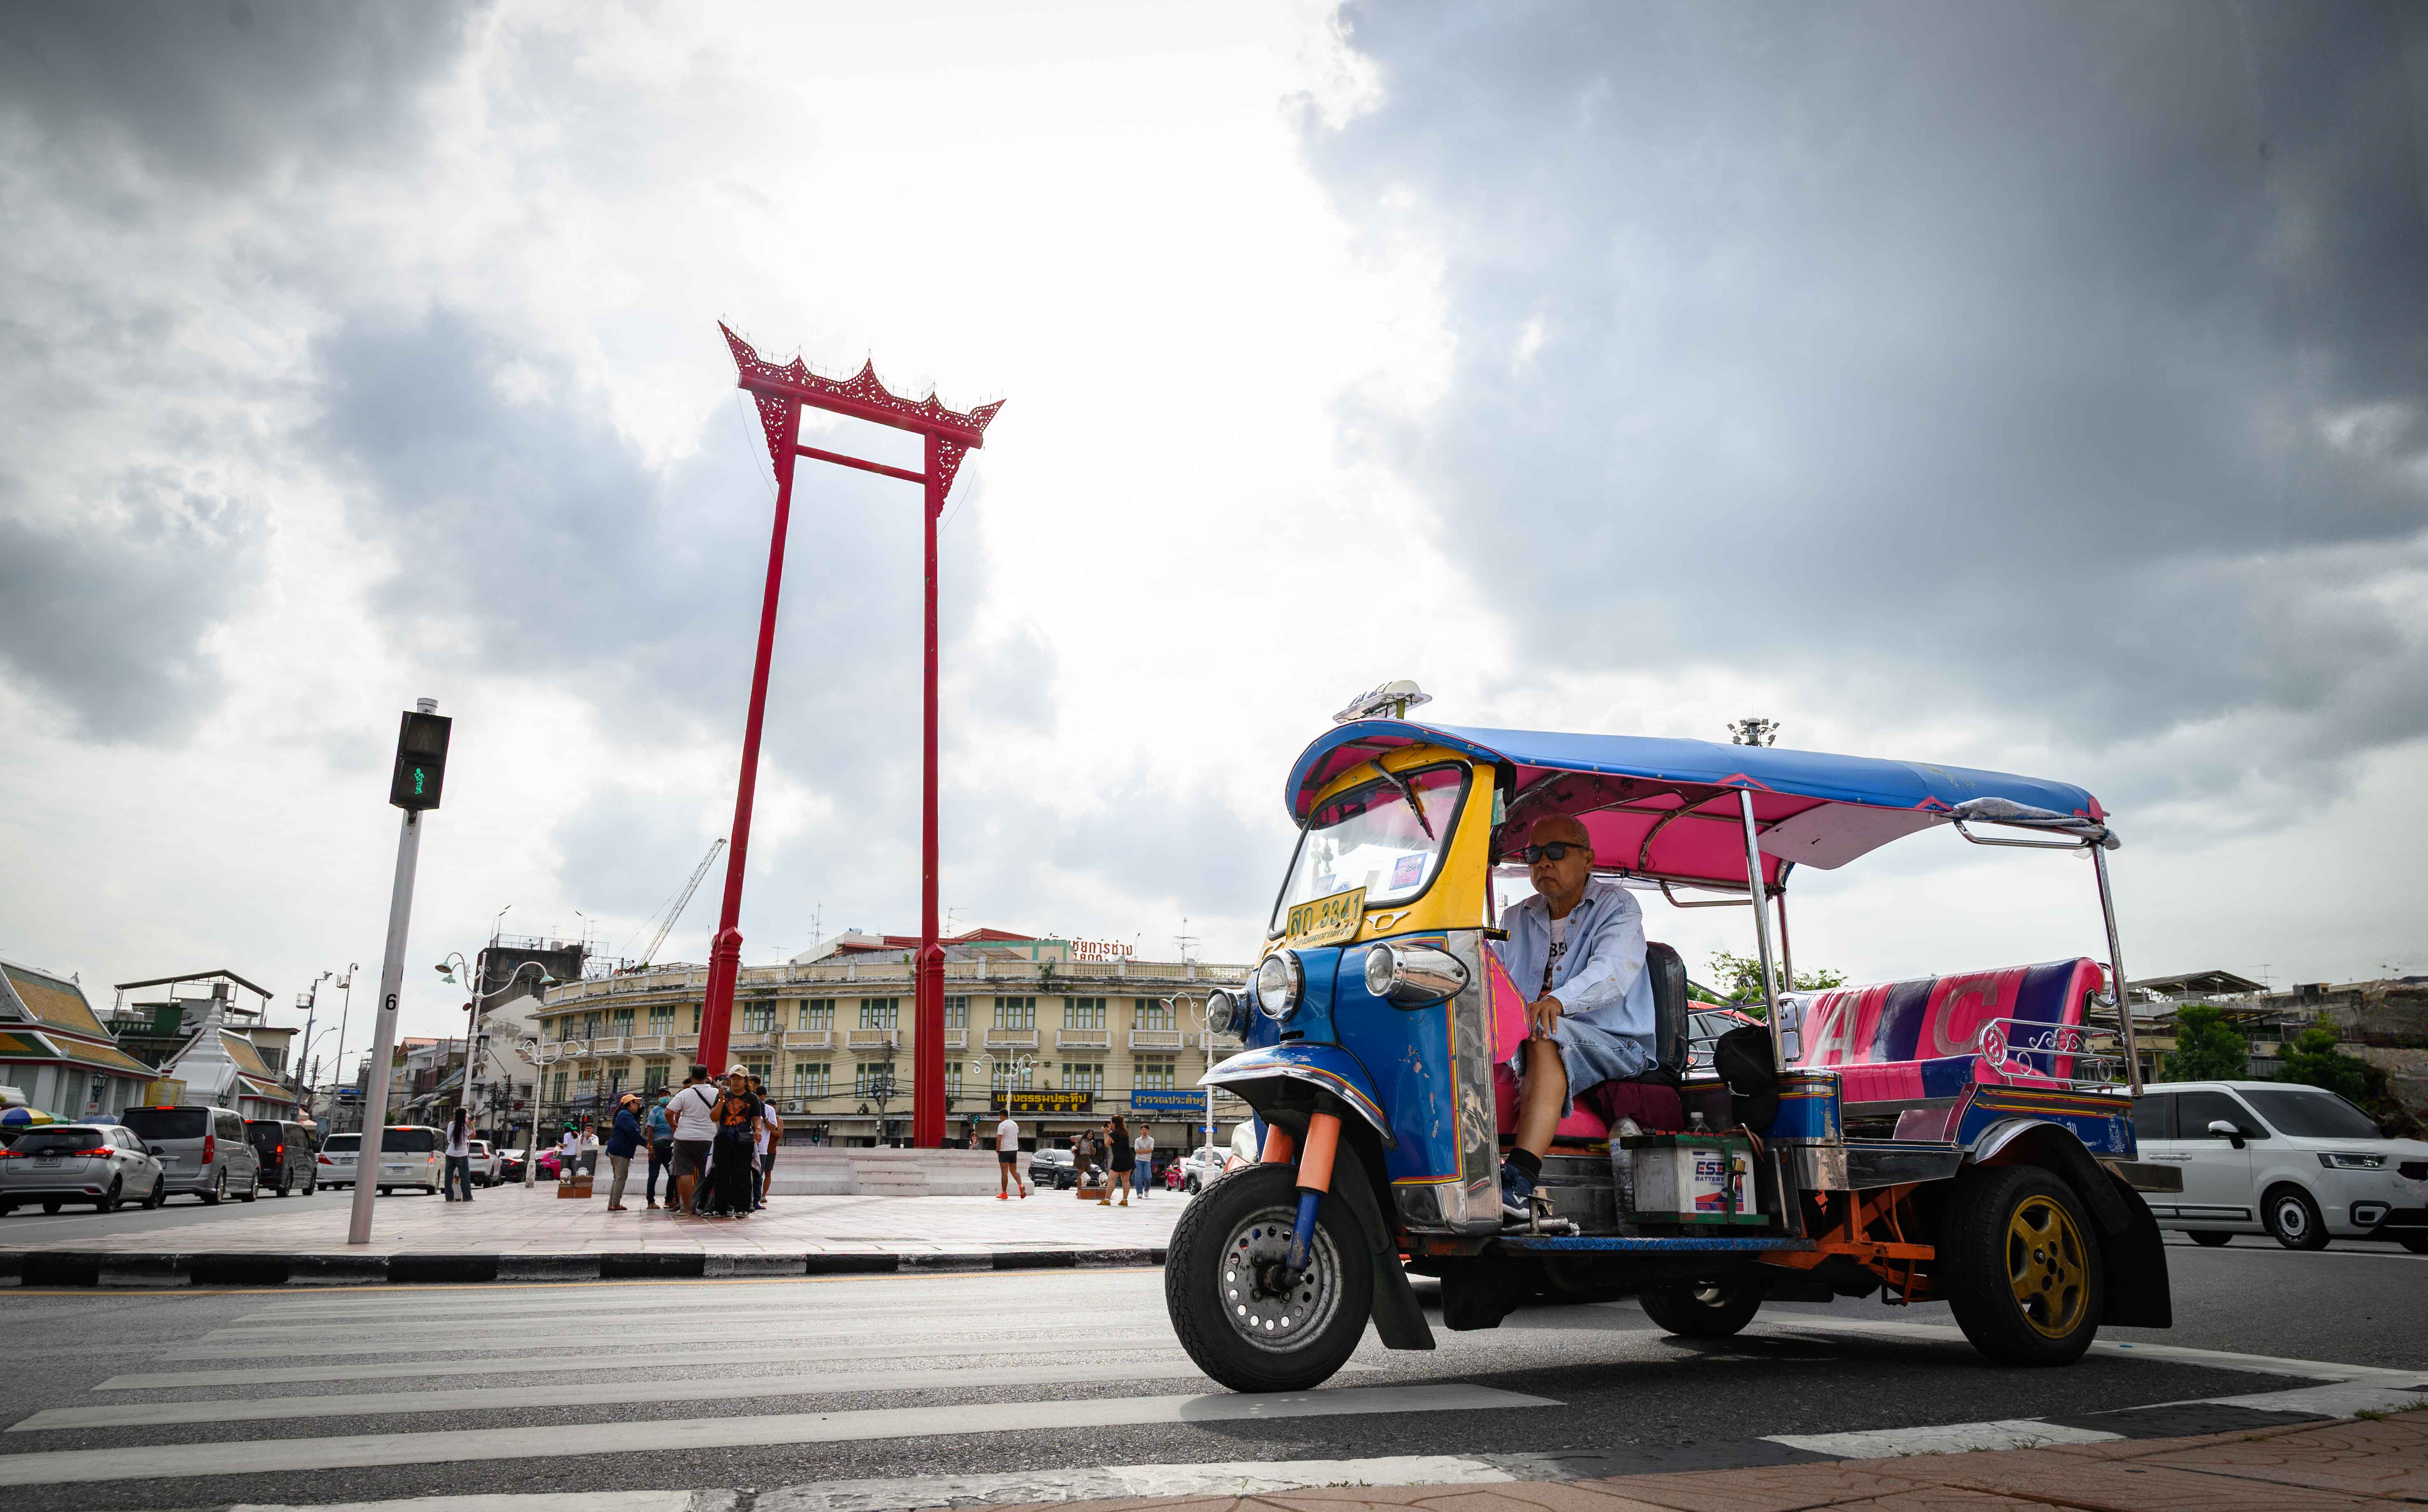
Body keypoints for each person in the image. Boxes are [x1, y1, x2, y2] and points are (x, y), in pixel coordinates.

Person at [1493, 813, 1655, 1220]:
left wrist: (1558, 1001)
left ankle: (1519, 1179)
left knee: (1546, 1031)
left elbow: (1611, 971)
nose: (1542, 862)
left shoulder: (1617, 906)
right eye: (1532, 853)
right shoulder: (1515, 918)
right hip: (1535, 1035)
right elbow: (1493, 979)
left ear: (1587, 859)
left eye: (1555, 851)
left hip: (1617, 1042)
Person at [703, 1066, 764, 1218]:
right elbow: (714, 1117)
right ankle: (721, 1208)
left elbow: (757, 1118)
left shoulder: (752, 1098)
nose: (736, 1081)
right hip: (724, 1138)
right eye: (734, 1078)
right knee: (721, 1174)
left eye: (740, 1078)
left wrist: (758, 1130)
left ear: (746, 1081)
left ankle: (742, 1208)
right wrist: (722, 1100)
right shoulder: (723, 1096)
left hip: (743, 1139)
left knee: (742, 1174)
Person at [666, 1064, 718, 1214]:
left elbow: (669, 1112)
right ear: (707, 1075)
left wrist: (674, 1126)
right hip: (709, 1137)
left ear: (692, 1076)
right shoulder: (716, 1093)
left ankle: (687, 1208)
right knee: (709, 1173)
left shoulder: (684, 1094)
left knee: (684, 1172)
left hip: (684, 1138)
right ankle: (713, 1207)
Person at [604, 1093, 644, 1211]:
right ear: (631, 1104)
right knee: (621, 1178)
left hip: (616, 1151)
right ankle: (615, 1204)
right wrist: (645, 1143)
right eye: (637, 1105)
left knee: (617, 1178)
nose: (638, 1107)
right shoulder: (626, 1115)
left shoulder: (624, 1115)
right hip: (621, 1152)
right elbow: (633, 1132)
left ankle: (612, 1203)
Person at [749, 1075, 780, 1210]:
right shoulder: (746, 1103)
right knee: (743, 1175)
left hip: (761, 1148)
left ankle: (756, 1201)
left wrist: (764, 1119)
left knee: (758, 1175)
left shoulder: (769, 1109)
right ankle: (745, 1201)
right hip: (745, 1144)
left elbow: (774, 1129)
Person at [644, 1091, 674, 1209]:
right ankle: (651, 1201)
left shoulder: (673, 1110)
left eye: (666, 1095)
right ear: (658, 1098)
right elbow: (650, 1131)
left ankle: (669, 1200)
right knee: (653, 1176)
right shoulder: (654, 1112)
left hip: (670, 1149)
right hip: (657, 1149)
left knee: (673, 1175)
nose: (664, 1098)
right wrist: (651, 1148)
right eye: (661, 1096)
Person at [443, 1107, 475, 1202]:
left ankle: (449, 1198)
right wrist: (472, 1125)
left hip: (450, 1153)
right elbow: (473, 1136)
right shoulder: (465, 1127)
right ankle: (467, 1197)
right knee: (465, 1177)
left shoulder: (451, 1125)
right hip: (462, 1155)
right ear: (464, 1116)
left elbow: (449, 1138)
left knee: (449, 1177)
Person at [995, 1110, 1028, 1200]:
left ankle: (1004, 1193)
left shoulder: (1002, 1125)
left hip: (1005, 1151)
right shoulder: (1015, 1124)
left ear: (1002, 1116)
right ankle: (1021, 1185)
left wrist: (998, 1149)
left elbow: (999, 1140)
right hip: (1014, 1151)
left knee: (1004, 1172)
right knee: (1014, 1171)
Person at [1103, 1116, 1133, 1207]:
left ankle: (1107, 1200)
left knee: (1112, 1180)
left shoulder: (1113, 1134)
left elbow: (1107, 1144)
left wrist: (1106, 1133)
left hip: (1119, 1159)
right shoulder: (1126, 1133)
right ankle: (1125, 1200)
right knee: (1126, 1180)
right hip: (1129, 1158)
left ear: (1114, 1123)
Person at [1132, 1123, 1154, 1200]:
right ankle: (1139, 1193)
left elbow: (1151, 1149)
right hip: (1138, 1160)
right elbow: (1136, 1151)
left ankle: (1147, 1190)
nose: (1144, 1131)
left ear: (1148, 1131)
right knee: (1138, 1177)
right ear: (1141, 1131)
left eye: (1146, 1130)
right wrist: (1146, 1150)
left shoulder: (1151, 1140)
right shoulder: (1137, 1140)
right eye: (1143, 1130)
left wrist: (1142, 1151)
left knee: (1148, 1177)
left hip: (1147, 1161)